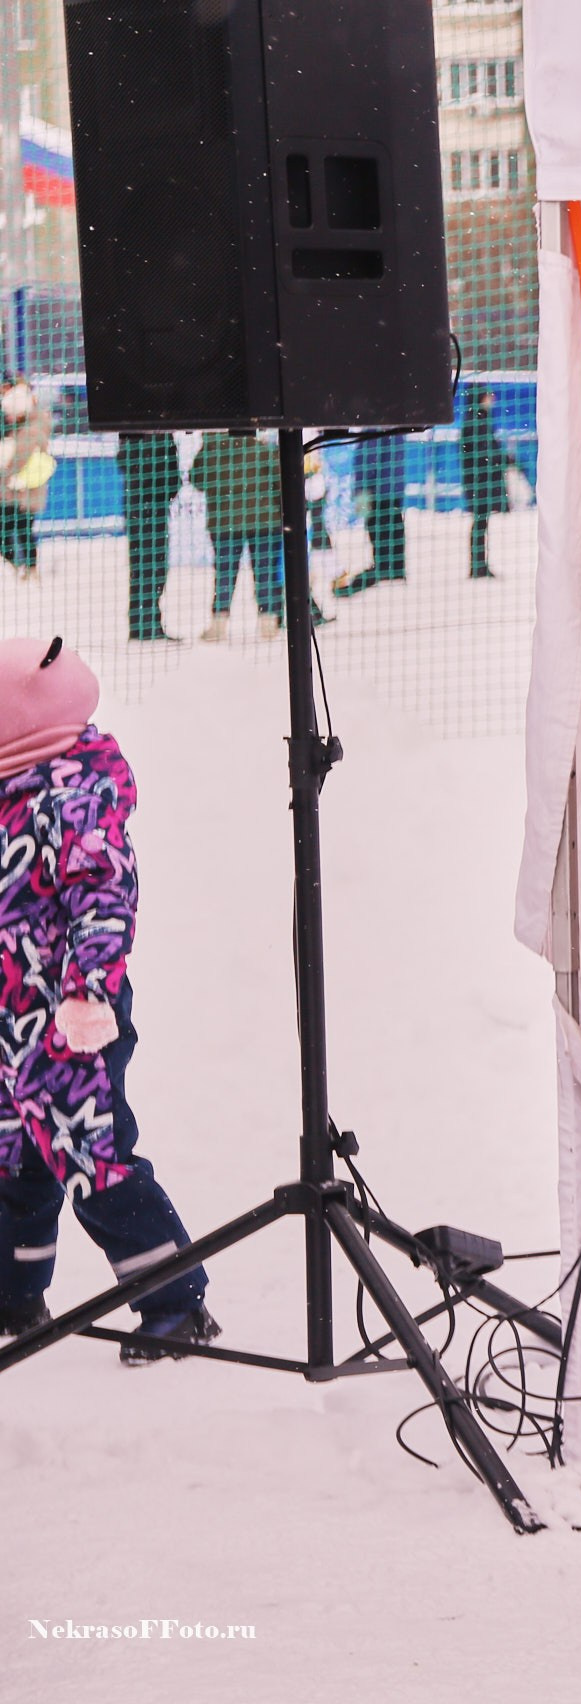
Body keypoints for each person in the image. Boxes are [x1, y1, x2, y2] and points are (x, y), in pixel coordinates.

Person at [0, 638, 216, 1361]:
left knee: (95, 1157)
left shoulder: (72, 795)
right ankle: (13, 1292)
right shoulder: (13, 786)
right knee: (14, 1160)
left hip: (67, 1022)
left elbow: (103, 901)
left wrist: (89, 994)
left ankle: (173, 1301)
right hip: (9, 1023)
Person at [188, 429, 286, 641]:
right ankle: (269, 623)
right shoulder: (261, 445)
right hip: (264, 519)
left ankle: (218, 625)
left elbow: (197, 480)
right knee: (265, 572)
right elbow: (279, 478)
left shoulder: (212, 447)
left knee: (224, 574)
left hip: (225, 522)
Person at [116, 433, 181, 642]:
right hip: (147, 505)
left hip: (144, 504)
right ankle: (144, 624)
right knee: (150, 566)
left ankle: (144, 622)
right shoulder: (144, 434)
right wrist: (166, 488)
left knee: (148, 566)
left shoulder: (135, 434)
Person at [337, 432, 410, 598]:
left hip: (377, 493)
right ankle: (395, 573)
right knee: (395, 534)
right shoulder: (396, 431)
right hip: (392, 492)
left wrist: (361, 493)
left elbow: (366, 464)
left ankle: (384, 574)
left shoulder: (375, 430)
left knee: (380, 536)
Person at [0, 376, 54, 581]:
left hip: (27, 485)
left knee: (23, 528)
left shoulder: (35, 420)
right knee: (6, 528)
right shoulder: (8, 419)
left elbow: (32, 446)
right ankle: (14, 565)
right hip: (7, 486)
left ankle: (29, 569)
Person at [460, 389, 512, 580]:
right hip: (479, 481)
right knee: (480, 522)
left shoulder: (481, 419)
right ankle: (478, 566)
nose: (492, 399)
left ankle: (479, 565)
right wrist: (504, 460)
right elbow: (485, 451)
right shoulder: (476, 421)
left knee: (481, 522)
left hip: (480, 480)